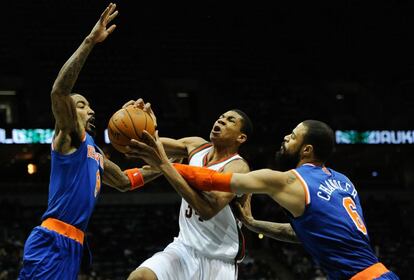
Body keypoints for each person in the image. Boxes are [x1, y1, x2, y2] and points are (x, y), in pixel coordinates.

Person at [134, 120, 399, 280]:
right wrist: (252, 223)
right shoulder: (344, 182)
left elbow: (214, 181)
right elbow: (306, 234)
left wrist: (163, 164)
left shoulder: (290, 180)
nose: (286, 137)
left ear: (307, 149)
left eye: (293, 136)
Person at [18, 4, 161, 279]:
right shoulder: (68, 137)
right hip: (52, 240)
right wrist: (89, 41)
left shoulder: (94, 150)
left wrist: (168, 163)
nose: (90, 110)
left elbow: (124, 181)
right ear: (70, 112)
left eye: (89, 106)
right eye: (82, 105)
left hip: (74, 243)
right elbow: (59, 91)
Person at [125, 99, 253, 280]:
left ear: (241, 137)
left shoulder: (238, 167)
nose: (221, 120)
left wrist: (164, 165)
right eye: (221, 117)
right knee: (140, 277)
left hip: (219, 260)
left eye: (230, 120)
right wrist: (135, 121)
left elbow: (207, 209)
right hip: (184, 248)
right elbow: (150, 143)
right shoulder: (195, 146)